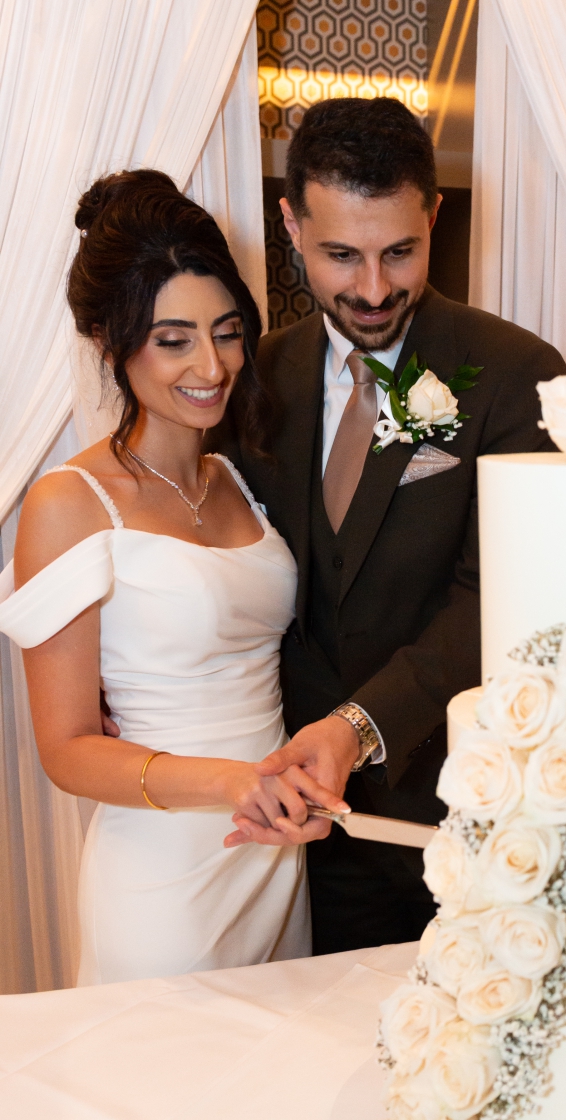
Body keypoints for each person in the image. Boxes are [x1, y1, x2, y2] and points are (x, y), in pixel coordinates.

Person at [227, 98, 565, 953]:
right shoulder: (255, 375)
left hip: (458, 815)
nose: (374, 290)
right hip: (300, 827)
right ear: (292, 225)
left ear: (434, 217)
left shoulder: (516, 373)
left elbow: (497, 598)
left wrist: (358, 726)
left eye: (400, 252)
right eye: (341, 255)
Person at [0, 170, 343, 983]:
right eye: (173, 340)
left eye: (227, 332)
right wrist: (230, 783)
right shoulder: (69, 502)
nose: (212, 366)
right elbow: (67, 750)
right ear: (109, 343)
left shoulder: (238, 480)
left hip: (272, 853)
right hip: (164, 874)